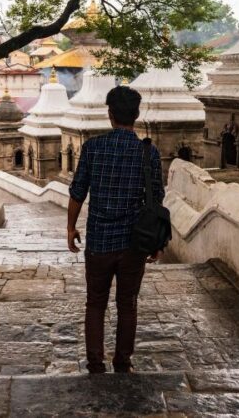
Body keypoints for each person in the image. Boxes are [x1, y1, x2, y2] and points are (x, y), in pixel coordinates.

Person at [67, 85, 165, 374]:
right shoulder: (149, 152)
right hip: (134, 243)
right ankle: (123, 361)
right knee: (128, 303)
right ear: (136, 115)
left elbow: (77, 192)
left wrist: (71, 227)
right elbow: (156, 197)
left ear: (109, 114)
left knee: (95, 303)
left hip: (99, 240)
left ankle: (95, 363)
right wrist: (156, 240)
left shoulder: (93, 148)